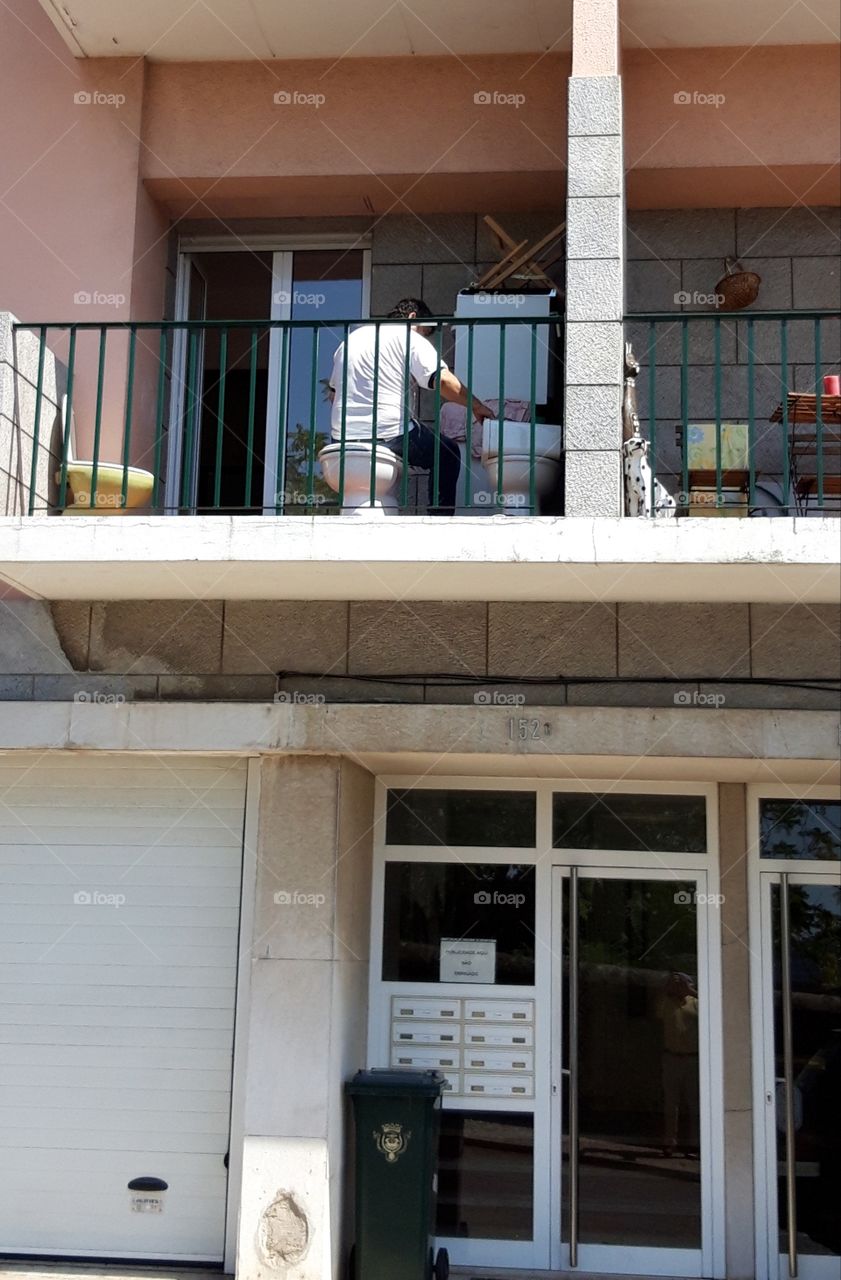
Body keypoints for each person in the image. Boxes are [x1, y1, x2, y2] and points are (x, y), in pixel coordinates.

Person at [328, 298, 493, 515]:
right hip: (389, 435)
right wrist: (476, 406)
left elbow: (333, 394)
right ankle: (439, 521)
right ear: (413, 318)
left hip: (340, 440)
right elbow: (443, 381)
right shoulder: (408, 336)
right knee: (447, 452)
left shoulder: (351, 339)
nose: (423, 338)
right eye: (424, 332)